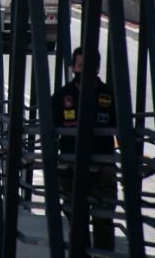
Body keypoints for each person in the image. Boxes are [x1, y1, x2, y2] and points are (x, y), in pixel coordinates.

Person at [51, 47, 118, 251]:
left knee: (103, 221)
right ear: (73, 68)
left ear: (97, 68)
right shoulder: (63, 96)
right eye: (79, 66)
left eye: (88, 66)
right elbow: (49, 130)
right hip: (71, 170)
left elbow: (122, 129)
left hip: (103, 170)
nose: (83, 71)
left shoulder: (108, 95)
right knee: (76, 222)